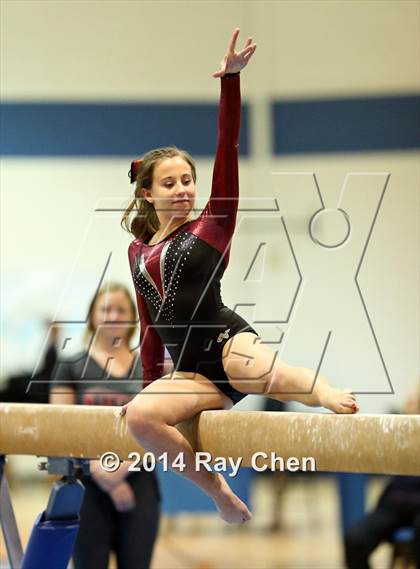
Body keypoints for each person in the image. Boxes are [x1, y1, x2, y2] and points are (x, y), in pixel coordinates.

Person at [120, 28, 358, 525]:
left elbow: (226, 144)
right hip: (189, 373)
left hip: (228, 344)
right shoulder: (137, 253)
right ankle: (216, 490)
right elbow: (148, 331)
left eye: (188, 180)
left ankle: (327, 392)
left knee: (274, 376)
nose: (184, 189)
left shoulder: (214, 224)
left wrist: (230, 82)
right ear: (147, 193)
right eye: (170, 183)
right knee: (141, 418)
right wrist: (147, 387)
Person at [50, 282, 160, 569]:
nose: (113, 315)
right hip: (86, 482)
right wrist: (103, 474)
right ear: (92, 316)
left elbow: (162, 426)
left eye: (121, 309)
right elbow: (60, 428)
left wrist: (121, 469)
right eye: (106, 309)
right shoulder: (70, 366)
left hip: (138, 480)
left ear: (133, 317)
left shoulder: (150, 369)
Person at [344, 386, 420, 569]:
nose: (411, 405)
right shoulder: (401, 429)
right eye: (411, 402)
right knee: (355, 538)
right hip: (394, 504)